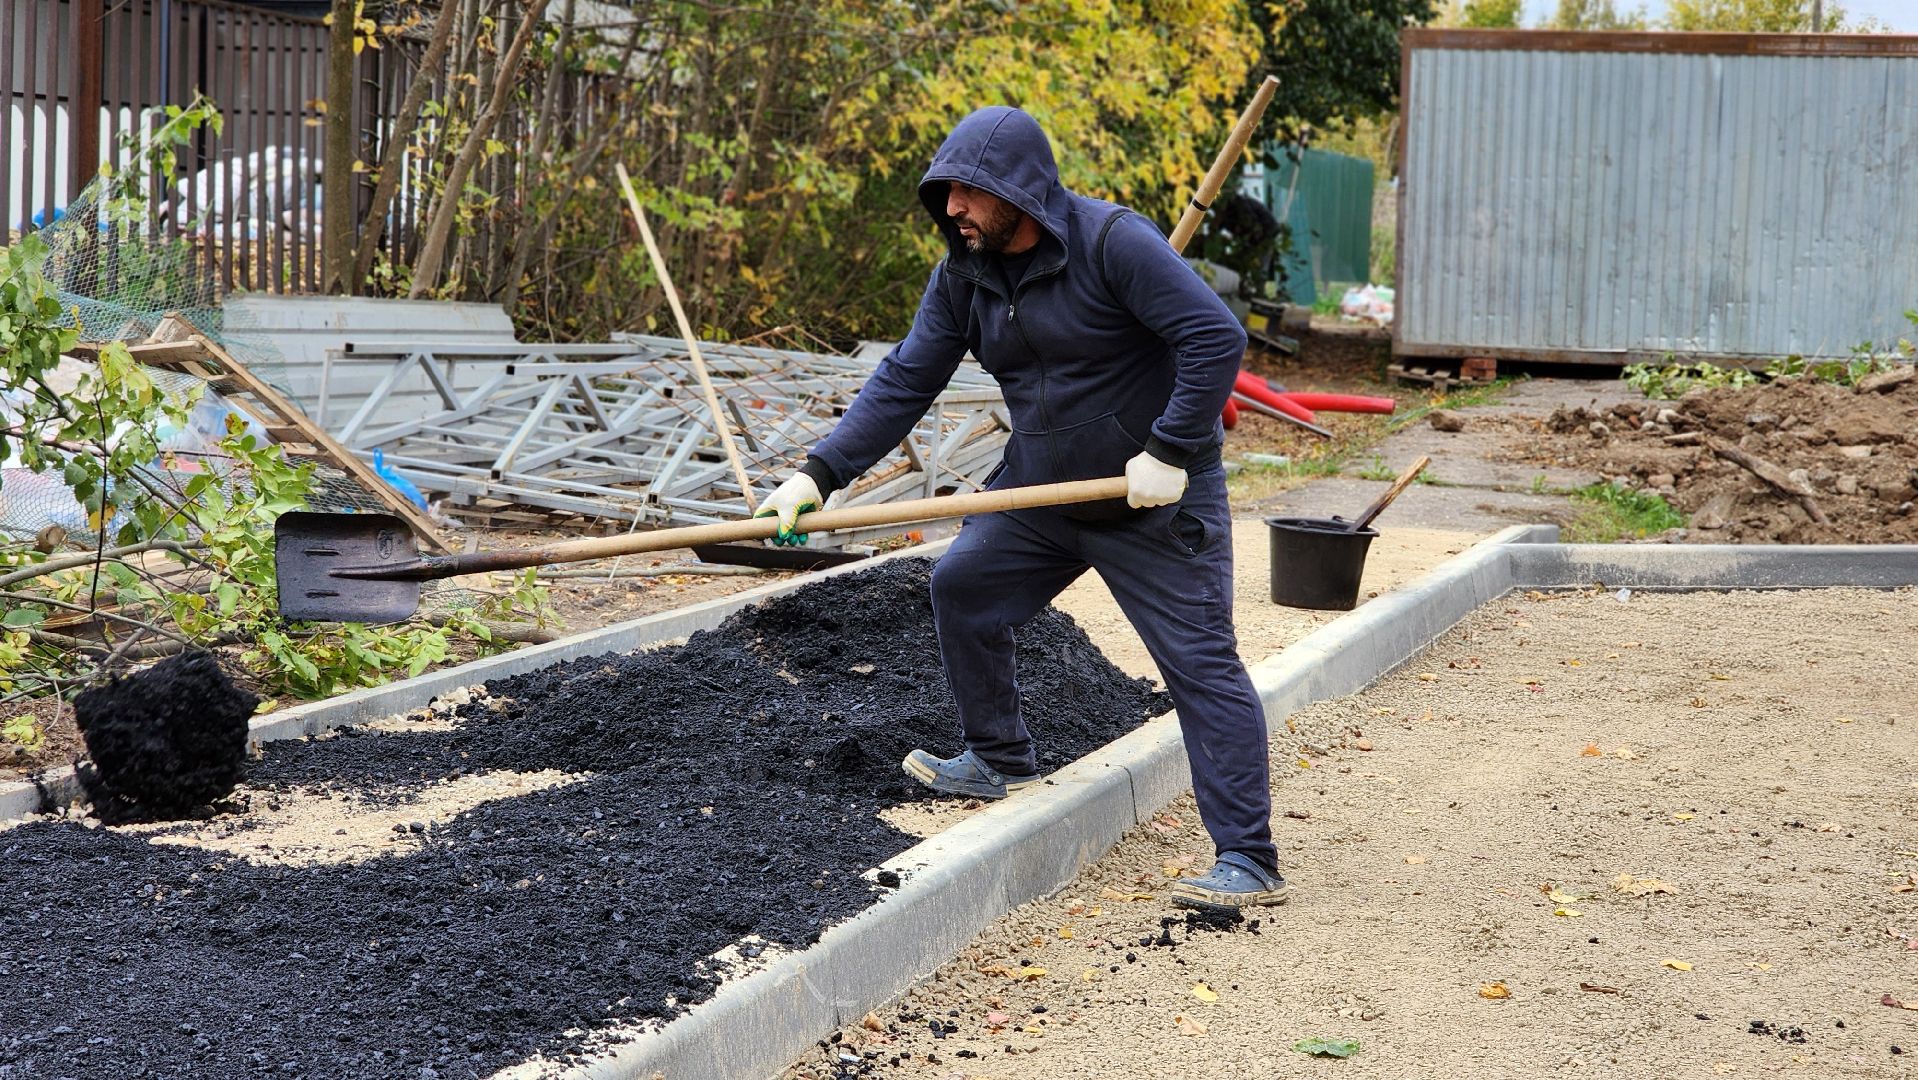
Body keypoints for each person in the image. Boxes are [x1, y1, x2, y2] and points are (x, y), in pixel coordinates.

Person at [755, 107, 1287, 912]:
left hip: (1152, 497)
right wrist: (818, 475)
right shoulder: (964, 275)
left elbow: (1214, 337)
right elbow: (906, 378)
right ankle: (997, 757)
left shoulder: (1113, 243)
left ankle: (1247, 855)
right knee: (964, 586)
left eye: (968, 192)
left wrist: (1172, 448)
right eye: (945, 194)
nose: (954, 208)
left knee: (1200, 663)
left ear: (1018, 191)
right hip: (1042, 490)